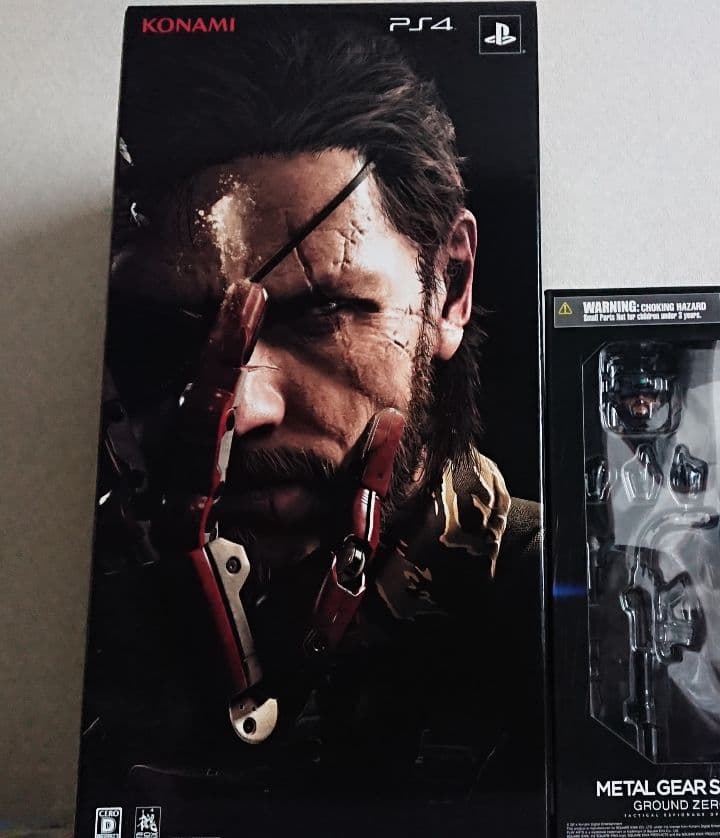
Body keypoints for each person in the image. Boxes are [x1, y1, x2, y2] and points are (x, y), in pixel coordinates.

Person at [82, 20, 542, 834]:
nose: (244, 406)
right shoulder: (84, 632)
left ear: (451, 283)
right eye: (168, 333)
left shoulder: (567, 608)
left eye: (322, 313)